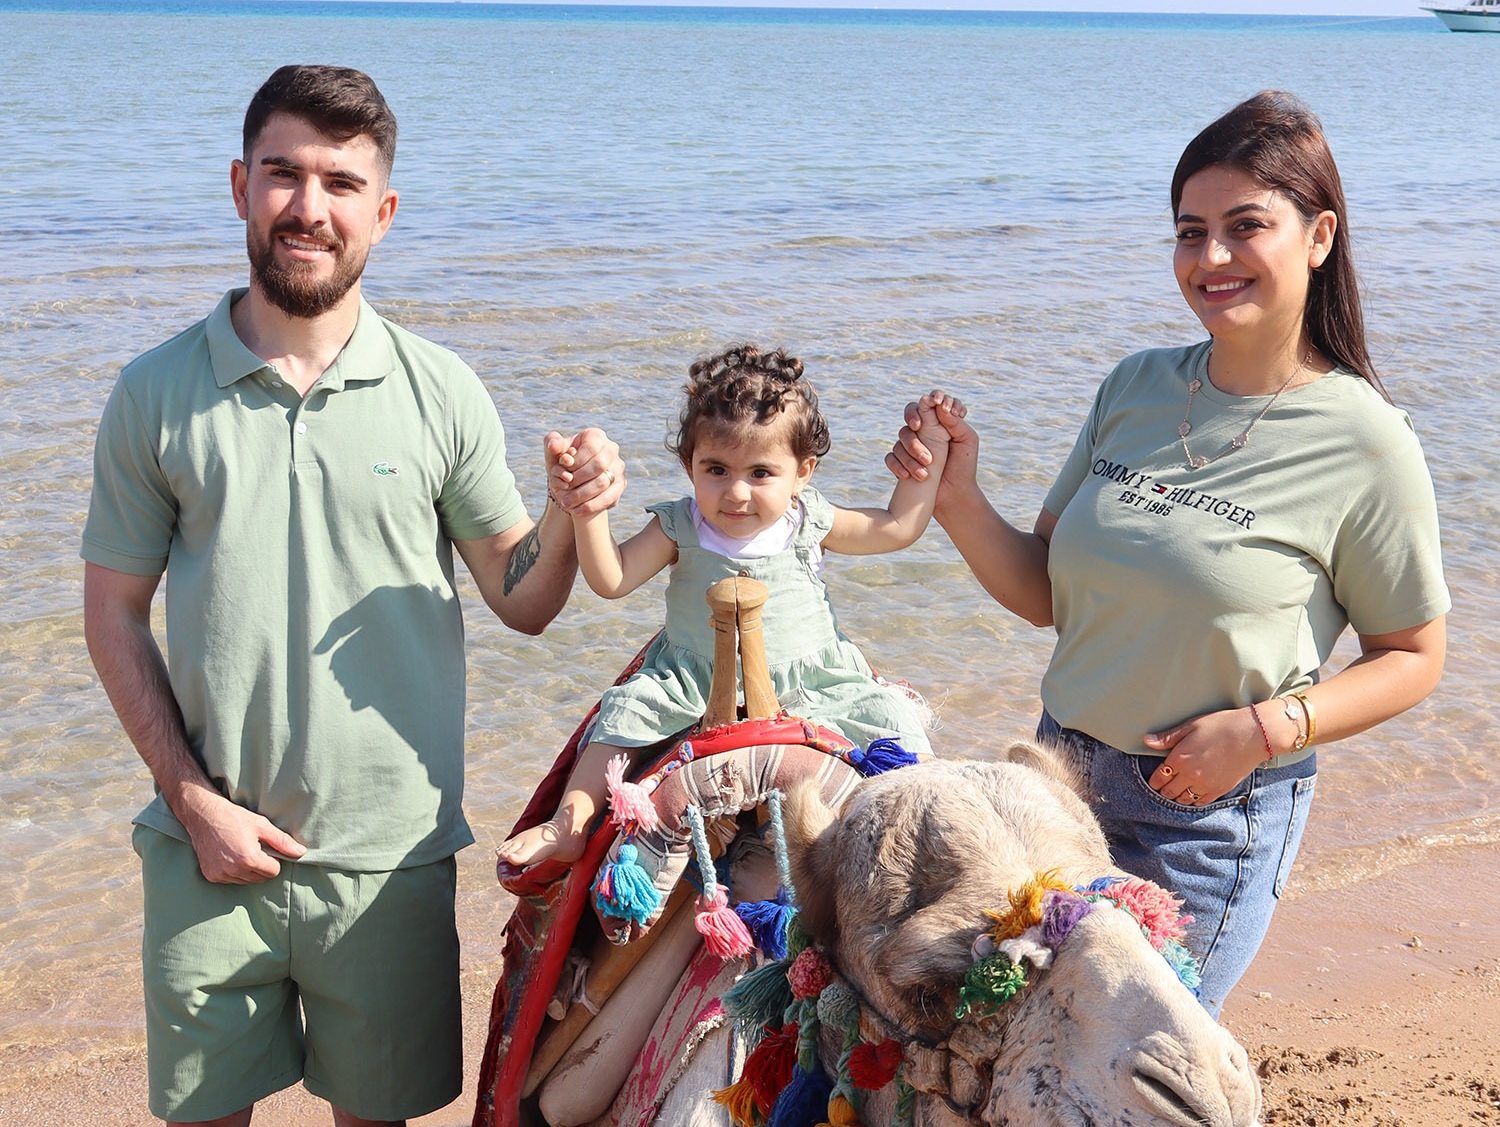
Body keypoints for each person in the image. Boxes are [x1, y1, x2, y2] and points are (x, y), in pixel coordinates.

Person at [80, 65, 624, 1127]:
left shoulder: (441, 390)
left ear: (383, 211)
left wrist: (572, 511)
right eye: (284, 174)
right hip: (203, 851)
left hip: (388, 859)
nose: (308, 207)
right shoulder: (154, 391)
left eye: (340, 182)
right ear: (240, 186)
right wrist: (193, 802)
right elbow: (112, 614)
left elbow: (524, 598)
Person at [889, 90, 1449, 1016]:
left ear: (1318, 236)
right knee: (1011, 1046)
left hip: (1206, 814)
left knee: (1136, 1071)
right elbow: (1045, 592)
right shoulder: (1137, 385)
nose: (1212, 258)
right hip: (1053, 783)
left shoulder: (1366, 440)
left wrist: (1269, 729)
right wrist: (954, 498)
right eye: (1191, 232)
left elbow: (1413, 657)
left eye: (1245, 227)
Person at [497, 344, 960, 868]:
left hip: (810, 676)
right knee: (622, 717)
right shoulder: (679, 525)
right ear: (688, 464)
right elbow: (612, 579)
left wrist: (934, 449)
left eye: (761, 472)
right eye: (716, 468)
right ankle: (569, 825)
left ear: (803, 471)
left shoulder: (808, 520)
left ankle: (924, 830)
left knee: (892, 720)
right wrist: (590, 512)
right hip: (691, 676)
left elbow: (898, 527)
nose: (736, 492)